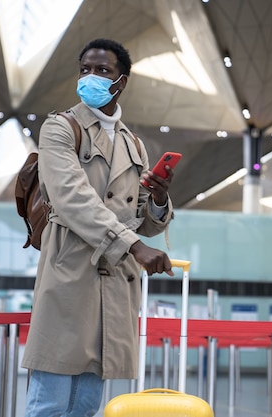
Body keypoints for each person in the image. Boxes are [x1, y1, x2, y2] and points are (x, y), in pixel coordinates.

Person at [22, 38, 175, 416]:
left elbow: (141, 216)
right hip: (70, 273)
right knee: (51, 403)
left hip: (113, 286)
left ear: (121, 81)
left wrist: (158, 199)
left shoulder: (133, 145)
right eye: (85, 69)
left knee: (87, 406)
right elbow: (73, 198)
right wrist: (135, 247)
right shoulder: (60, 128)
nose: (90, 77)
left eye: (102, 70)